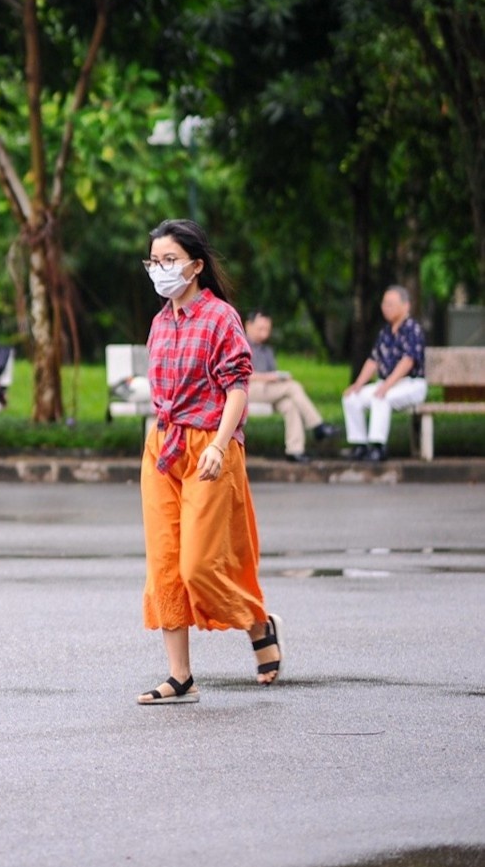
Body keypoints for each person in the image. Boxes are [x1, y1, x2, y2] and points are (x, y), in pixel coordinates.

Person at [136, 219, 282, 706]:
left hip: (209, 448)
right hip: (163, 450)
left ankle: (257, 621)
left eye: (170, 260)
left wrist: (220, 445)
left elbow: (238, 386)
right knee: (165, 565)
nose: (160, 269)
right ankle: (180, 677)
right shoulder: (160, 322)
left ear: (196, 265)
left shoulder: (221, 317)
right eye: (154, 261)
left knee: (199, 565)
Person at [342, 286, 428, 462]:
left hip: (411, 384)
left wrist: (386, 386)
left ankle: (378, 446)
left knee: (380, 397)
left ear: (406, 306)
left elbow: (408, 362)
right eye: (384, 304)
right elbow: (373, 360)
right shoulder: (385, 332)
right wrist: (357, 385)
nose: (385, 308)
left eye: (390, 304)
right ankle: (360, 445)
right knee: (351, 398)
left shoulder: (413, 329)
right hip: (387, 384)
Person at [243, 310, 340, 463]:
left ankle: (294, 451)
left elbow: (273, 374)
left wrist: (278, 378)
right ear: (248, 325)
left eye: (267, 330)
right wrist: (270, 377)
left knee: (290, 404)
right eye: (260, 329)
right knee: (293, 387)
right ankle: (317, 425)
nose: (264, 333)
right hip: (245, 390)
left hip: (267, 391)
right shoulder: (240, 345)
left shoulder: (267, 351)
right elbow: (240, 374)